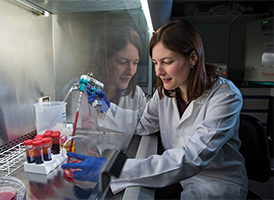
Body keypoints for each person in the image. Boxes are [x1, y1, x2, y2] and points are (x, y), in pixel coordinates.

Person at [62, 18, 248, 199]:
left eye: (166, 62)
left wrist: (114, 168)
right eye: (155, 63)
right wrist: (106, 109)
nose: (158, 72)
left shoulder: (225, 97)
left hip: (214, 183)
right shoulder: (165, 93)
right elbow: (142, 124)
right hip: (177, 177)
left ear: (192, 58)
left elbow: (192, 158)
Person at [63, 21, 147, 135]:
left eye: (135, 63)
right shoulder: (78, 91)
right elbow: (77, 139)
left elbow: (145, 126)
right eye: (122, 62)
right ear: (101, 59)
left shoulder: (137, 95)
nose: (131, 71)